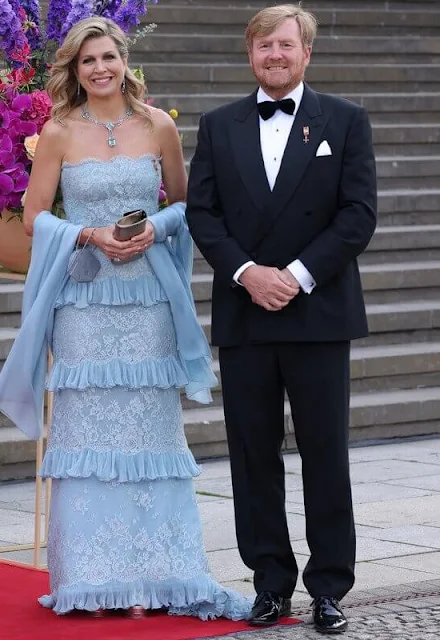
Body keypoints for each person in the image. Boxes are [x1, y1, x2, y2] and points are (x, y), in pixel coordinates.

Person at [0, 16, 252, 621]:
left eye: (108, 56)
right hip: (85, 304)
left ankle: (158, 574)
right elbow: (33, 218)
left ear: (124, 58)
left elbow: (187, 205)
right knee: (87, 434)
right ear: (74, 70)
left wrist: (152, 228)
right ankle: (90, 580)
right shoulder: (57, 132)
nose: (100, 68)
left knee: (152, 434)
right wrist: (89, 234)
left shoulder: (158, 125)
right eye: (88, 61)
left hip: (149, 303)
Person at [186, 4, 377, 634]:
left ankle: (329, 588)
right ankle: (270, 584)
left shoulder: (345, 122)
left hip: (318, 313)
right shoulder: (218, 126)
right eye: (264, 44)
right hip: (246, 313)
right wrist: (248, 274)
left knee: (326, 453)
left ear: (306, 53)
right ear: (250, 53)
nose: (275, 54)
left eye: (286, 44)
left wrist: (294, 275)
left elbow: (357, 215)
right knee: (251, 456)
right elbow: (203, 215)